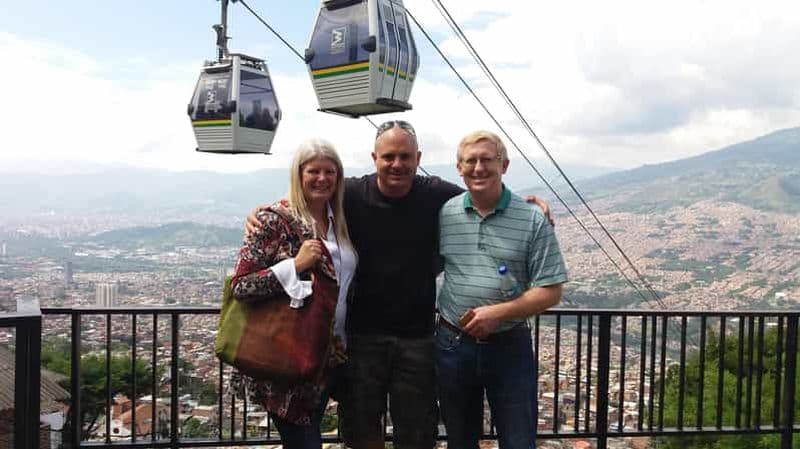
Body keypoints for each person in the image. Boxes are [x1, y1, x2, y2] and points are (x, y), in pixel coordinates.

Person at [246, 121, 552, 449]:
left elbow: (483, 194)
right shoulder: (350, 193)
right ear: (374, 157)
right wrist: (264, 212)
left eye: (405, 156)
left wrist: (527, 206)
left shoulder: (436, 194)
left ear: (418, 158)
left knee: (418, 433)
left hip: (417, 338)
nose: (397, 164)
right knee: (362, 430)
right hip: (361, 337)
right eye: (389, 156)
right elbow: (309, 195)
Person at [435, 130, 568, 449]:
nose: (478, 168)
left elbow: (551, 290)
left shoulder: (531, 219)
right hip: (453, 343)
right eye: (470, 161)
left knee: (519, 439)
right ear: (459, 168)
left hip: (509, 345)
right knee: (459, 439)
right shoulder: (446, 213)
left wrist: (498, 313)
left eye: (487, 160)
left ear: (504, 165)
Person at [230, 138, 357, 449]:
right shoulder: (275, 221)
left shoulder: (338, 219)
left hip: (331, 354)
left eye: (330, 172)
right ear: (298, 175)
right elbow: (240, 286)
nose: (322, 179)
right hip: (288, 357)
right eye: (314, 171)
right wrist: (294, 265)